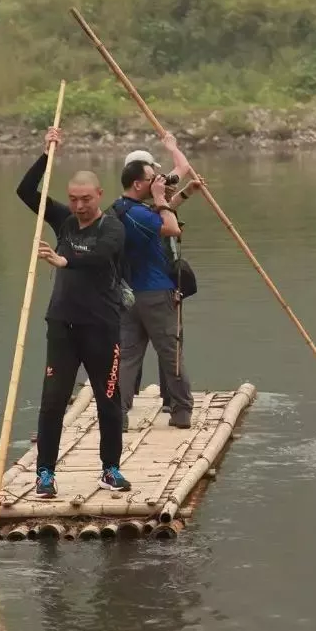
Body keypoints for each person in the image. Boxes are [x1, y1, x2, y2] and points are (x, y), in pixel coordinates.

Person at [15, 127, 130, 498]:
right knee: (52, 402)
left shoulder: (113, 227)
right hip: (62, 326)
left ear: (100, 195)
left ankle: (110, 469)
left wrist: (66, 259)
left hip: (101, 326)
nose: (79, 206)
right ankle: (45, 475)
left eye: (86, 199)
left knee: (108, 401)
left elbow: (100, 255)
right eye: (74, 199)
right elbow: (25, 191)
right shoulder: (63, 220)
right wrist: (47, 154)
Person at [111, 133, 198, 429]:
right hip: (155, 293)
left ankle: (118, 413)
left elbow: (180, 172)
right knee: (170, 352)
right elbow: (172, 227)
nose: (157, 181)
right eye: (151, 178)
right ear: (138, 183)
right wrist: (161, 197)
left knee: (127, 357)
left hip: (127, 295)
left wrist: (173, 150)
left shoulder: (119, 210)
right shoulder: (139, 213)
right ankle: (181, 410)